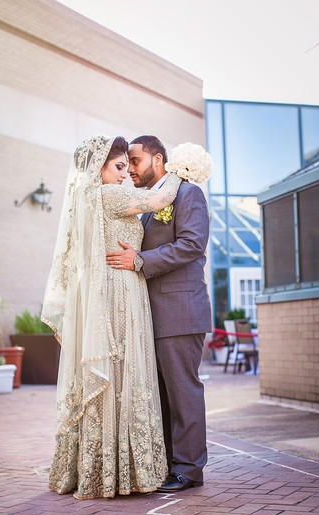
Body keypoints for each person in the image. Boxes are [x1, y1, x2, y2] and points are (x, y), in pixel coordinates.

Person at [41, 135, 181, 500]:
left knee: (116, 375)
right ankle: (124, 470)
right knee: (126, 372)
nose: (124, 174)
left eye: (126, 166)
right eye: (119, 166)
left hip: (103, 292)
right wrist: (183, 168)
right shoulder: (108, 195)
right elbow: (160, 199)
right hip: (121, 290)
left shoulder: (85, 199)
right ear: (98, 167)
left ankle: (95, 468)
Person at [106, 135, 212, 493]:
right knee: (162, 394)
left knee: (183, 392)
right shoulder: (151, 203)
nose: (131, 169)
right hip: (152, 315)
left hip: (180, 311)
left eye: (135, 161)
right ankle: (168, 463)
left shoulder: (187, 193)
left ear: (158, 159)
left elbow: (192, 244)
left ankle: (189, 470)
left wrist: (140, 260)